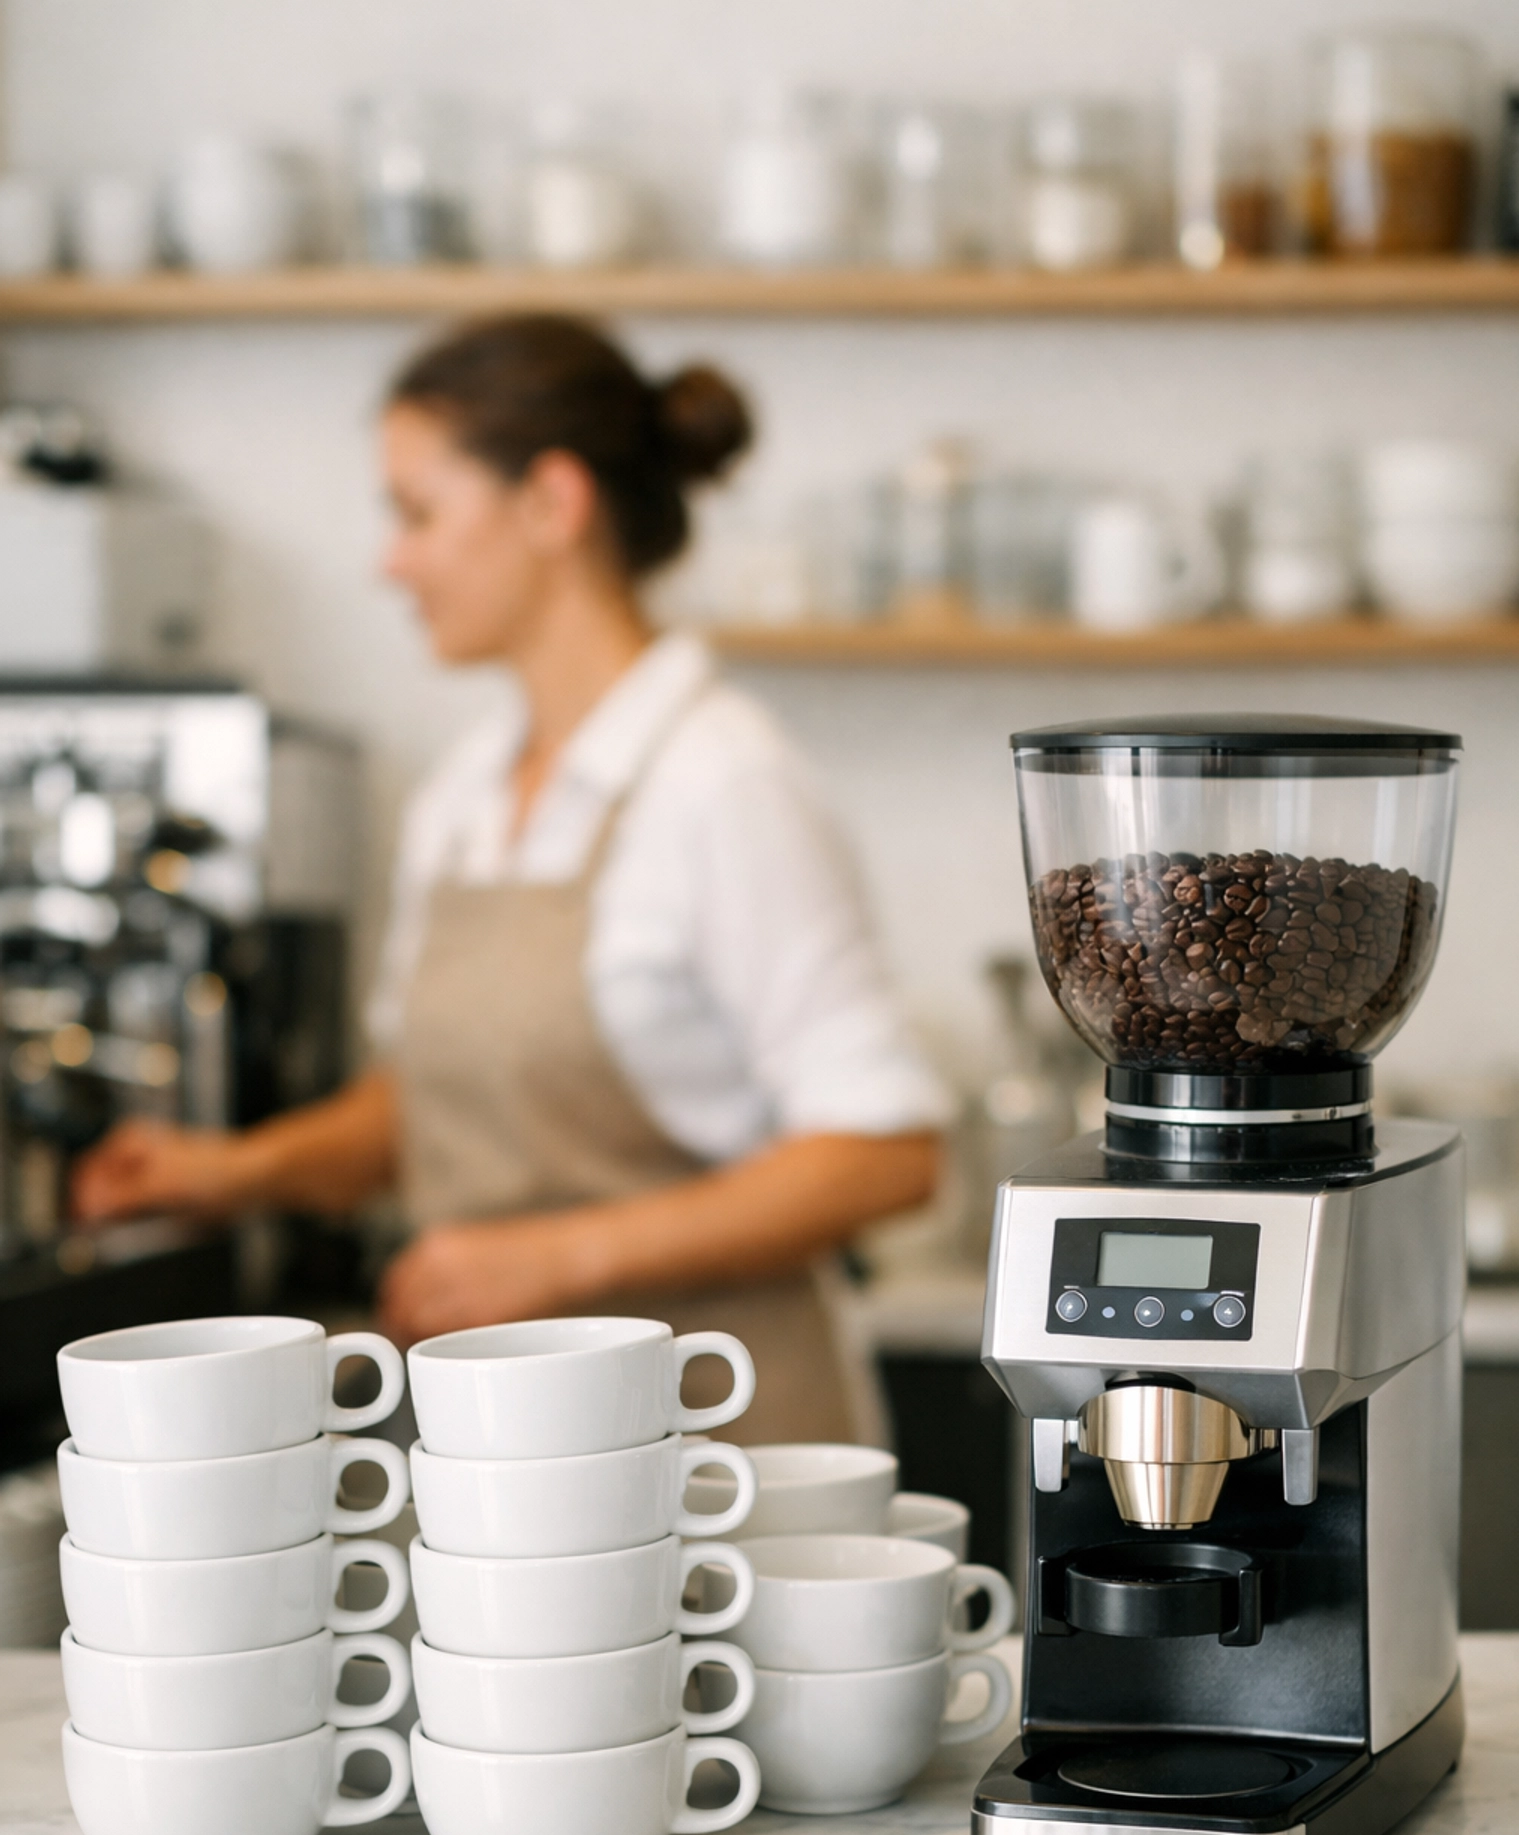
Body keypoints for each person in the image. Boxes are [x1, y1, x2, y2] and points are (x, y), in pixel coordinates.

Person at [72, 314, 950, 1440]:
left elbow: (885, 1154)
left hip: (724, 1453)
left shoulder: (721, 780)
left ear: (551, 503)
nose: (391, 560)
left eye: (418, 512)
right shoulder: (466, 793)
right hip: (512, 1454)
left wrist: (558, 1258)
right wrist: (230, 1171)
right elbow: (429, 1101)